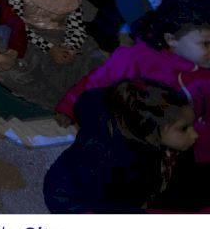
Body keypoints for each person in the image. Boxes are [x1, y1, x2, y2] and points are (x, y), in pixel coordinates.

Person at [55, 5, 210, 164]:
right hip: (142, 139)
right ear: (171, 39)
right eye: (206, 44)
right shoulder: (138, 58)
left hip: (191, 146)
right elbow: (98, 81)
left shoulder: (204, 72)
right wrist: (69, 107)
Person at [44, 80, 205, 213]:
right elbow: (108, 202)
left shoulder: (158, 137)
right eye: (184, 128)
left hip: (133, 186)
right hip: (74, 199)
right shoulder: (111, 157)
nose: (194, 135)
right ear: (152, 130)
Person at [0, 0, 105, 110]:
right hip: (28, 36)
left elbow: (77, 26)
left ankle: (81, 99)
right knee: (22, 62)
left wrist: (70, 47)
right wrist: (50, 48)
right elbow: (16, 26)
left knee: (92, 60)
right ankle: (57, 101)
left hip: (60, 35)